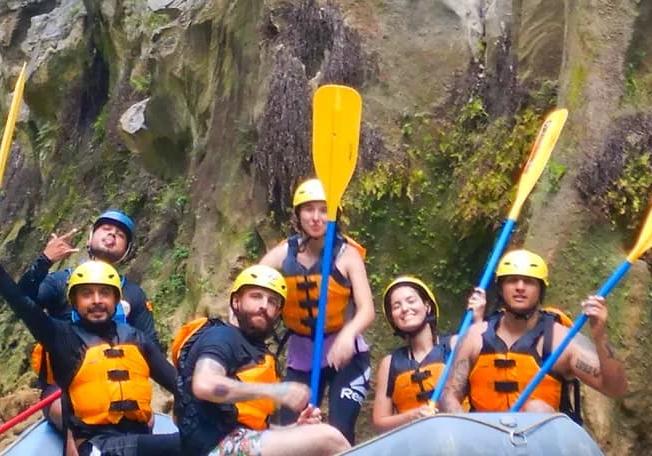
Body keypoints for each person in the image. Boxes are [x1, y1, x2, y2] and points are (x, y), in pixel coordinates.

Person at [0, 235, 180, 456]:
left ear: (116, 300)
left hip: (138, 441)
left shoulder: (138, 340)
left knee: (192, 443)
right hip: (96, 446)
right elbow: (21, 302)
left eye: (105, 293)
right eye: (87, 294)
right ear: (75, 302)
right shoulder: (62, 337)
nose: (97, 300)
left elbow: (180, 386)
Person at [173, 264, 350, 456]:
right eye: (256, 296)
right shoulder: (222, 337)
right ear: (236, 301)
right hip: (215, 449)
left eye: (272, 301)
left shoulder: (257, 352)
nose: (264, 305)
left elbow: (256, 431)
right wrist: (276, 391)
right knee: (329, 438)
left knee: (316, 436)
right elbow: (205, 384)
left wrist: (296, 429)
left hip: (236, 444)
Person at [17, 210, 159, 430]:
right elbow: (22, 300)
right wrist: (45, 260)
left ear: (126, 251)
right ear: (90, 237)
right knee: (71, 411)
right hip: (64, 385)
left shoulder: (134, 294)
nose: (112, 235)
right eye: (106, 229)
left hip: (116, 385)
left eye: (120, 235)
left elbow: (151, 348)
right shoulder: (61, 281)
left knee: (147, 420)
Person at [440, 249, 628, 415]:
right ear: (501, 288)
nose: (520, 287)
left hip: (542, 443)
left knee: (536, 408)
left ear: (540, 290)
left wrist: (599, 334)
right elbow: (449, 393)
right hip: (486, 441)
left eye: (529, 282)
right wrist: (462, 424)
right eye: (512, 280)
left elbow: (615, 389)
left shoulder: (560, 341)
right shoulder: (475, 338)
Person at [260, 178, 374, 444]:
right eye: (308, 209)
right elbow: (253, 283)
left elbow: (367, 310)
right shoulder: (282, 254)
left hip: (345, 357)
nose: (316, 217)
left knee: (339, 431)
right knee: (292, 434)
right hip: (302, 356)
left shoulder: (347, 255)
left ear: (334, 214)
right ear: (298, 215)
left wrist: (348, 335)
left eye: (323, 210)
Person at [372, 276, 486, 431]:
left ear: (427, 306)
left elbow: (486, 367)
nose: (405, 309)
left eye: (411, 301)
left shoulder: (455, 344)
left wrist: (478, 319)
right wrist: (413, 416)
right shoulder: (389, 363)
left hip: (459, 435)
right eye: (396, 306)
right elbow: (380, 422)